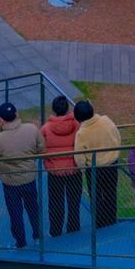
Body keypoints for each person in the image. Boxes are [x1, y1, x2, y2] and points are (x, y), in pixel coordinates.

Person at [0, 101, 45, 249]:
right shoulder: (32, 129)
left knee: (15, 212)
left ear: (0, 119)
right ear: (17, 114)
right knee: (33, 208)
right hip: (29, 178)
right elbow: (41, 148)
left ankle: (21, 242)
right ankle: (38, 236)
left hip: (10, 182)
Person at [73, 100, 121, 229]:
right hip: (111, 164)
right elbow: (117, 136)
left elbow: (79, 156)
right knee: (111, 193)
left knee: (96, 196)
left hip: (94, 169)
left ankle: (100, 223)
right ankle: (111, 220)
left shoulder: (82, 133)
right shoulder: (106, 120)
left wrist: (82, 168)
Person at [41, 95, 82, 237]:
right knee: (74, 202)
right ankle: (74, 228)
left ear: (53, 109)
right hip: (74, 169)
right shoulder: (77, 125)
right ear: (67, 109)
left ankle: (56, 231)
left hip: (55, 171)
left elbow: (42, 148)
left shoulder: (45, 128)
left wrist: (47, 162)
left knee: (55, 203)